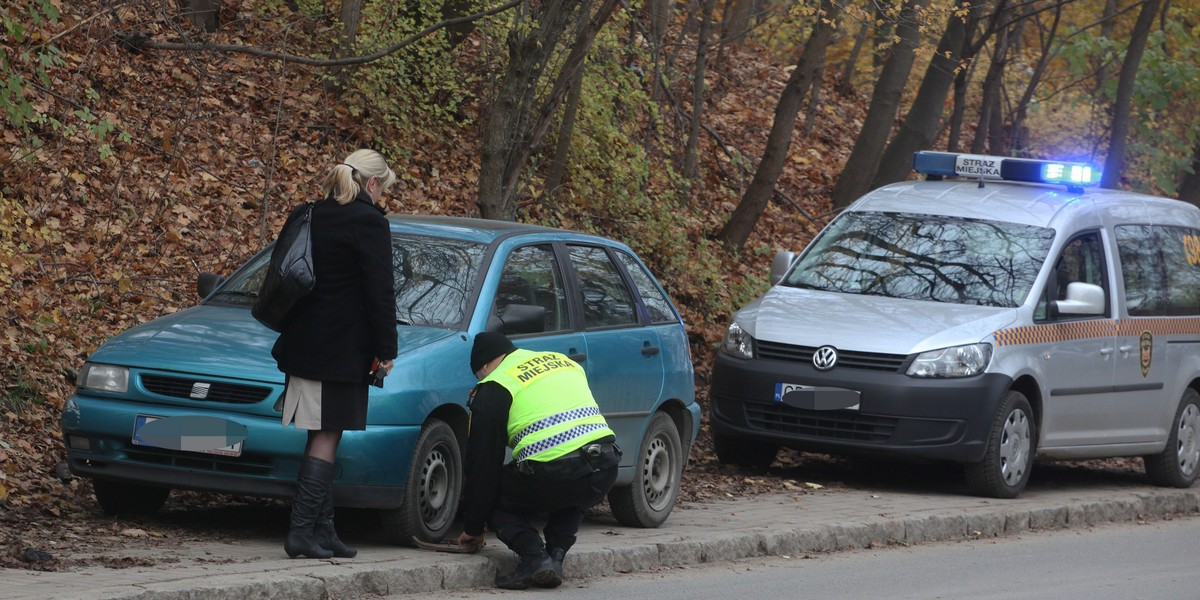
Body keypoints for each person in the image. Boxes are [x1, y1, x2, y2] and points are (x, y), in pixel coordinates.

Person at [271, 149, 399, 559]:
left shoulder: (308, 213)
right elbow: (379, 292)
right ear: (373, 184)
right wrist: (386, 350)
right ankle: (301, 533)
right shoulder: (369, 222)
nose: (383, 199)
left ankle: (323, 532)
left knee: (320, 433)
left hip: (303, 344)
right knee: (327, 435)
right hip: (340, 350)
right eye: (385, 190)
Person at [456, 332, 621, 589]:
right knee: (574, 489)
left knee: (492, 491)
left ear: (486, 365)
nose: (482, 379)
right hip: (603, 466)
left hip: (554, 472)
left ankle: (534, 556)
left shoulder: (496, 385)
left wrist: (474, 526)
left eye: (480, 374)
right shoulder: (562, 361)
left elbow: (482, 467)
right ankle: (555, 556)